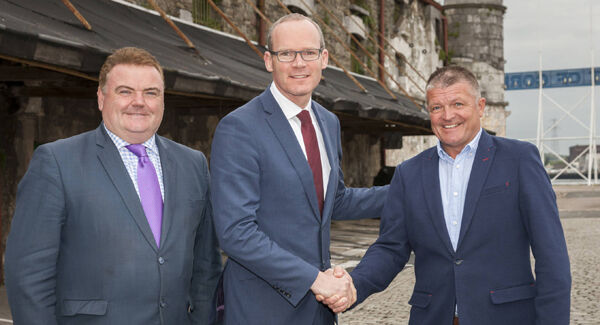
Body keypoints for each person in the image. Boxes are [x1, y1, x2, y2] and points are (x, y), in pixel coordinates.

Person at [5, 47, 222, 324]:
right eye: (125, 91)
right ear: (101, 98)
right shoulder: (57, 162)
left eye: (151, 92)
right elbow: (28, 274)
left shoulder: (193, 164)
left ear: (163, 100)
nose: (139, 102)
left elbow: (206, 264)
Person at [342, 66, 571, 324]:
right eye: (437, 107)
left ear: (480, 106)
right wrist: (352, 286)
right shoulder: (409, 173)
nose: (447, 115)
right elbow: (391, 249)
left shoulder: (519, 159)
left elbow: (552, 257)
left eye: (457, 103)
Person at [209, 13, 388, 325]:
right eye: (286, 54)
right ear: (269, 61)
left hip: (318, 311)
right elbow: (236, 233)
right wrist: (315, 280)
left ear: (324, 59)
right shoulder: (239, 127)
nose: (299, 63)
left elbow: (335, 200)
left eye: (308, 53)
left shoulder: (328, 122)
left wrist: (410, 188)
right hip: (262, 309)